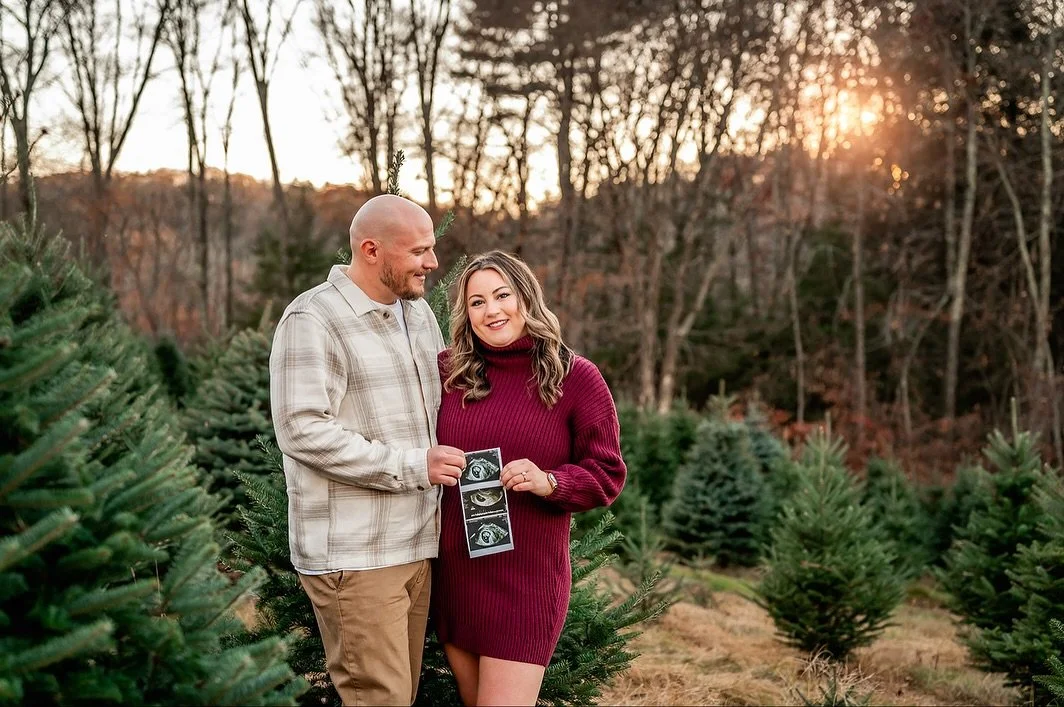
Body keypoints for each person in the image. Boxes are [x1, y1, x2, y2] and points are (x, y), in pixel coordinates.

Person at [269, 194, 467, 706]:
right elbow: (303, 430)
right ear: (372, 249)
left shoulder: (418, 314)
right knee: (379, 699)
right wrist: (412, 465)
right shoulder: (313, 319)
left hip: (417, 544)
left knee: (400, 695)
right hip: (357, 555)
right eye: (419, 251)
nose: (433, 262)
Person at [432, 250, 627, 706]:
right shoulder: (448, 372)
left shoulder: (575, 377)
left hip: (526, 582)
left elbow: (608, 473)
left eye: (502, 295)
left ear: (527, 297)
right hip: (457, 574)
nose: (492, 310)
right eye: (477, 302)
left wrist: (549, 482)